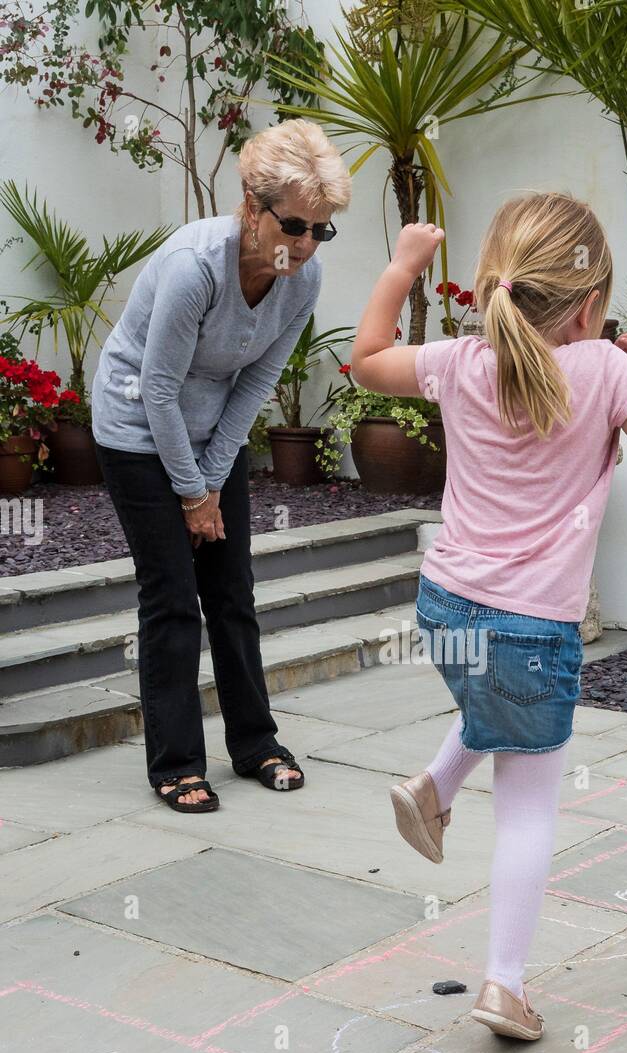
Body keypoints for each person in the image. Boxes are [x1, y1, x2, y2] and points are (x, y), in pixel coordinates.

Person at [350, 192, 627, 1040]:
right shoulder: (608, 370)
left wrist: (400, 269)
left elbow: (365, 360)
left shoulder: (460, 363)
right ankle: (504, 985)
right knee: (530, 804)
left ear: (493, 284)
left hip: (444, 604)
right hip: (533, 625)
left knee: (492, 701)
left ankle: (431, 787)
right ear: (589, 306)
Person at [91, 120, 351, 811]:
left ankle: (256, 743)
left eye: (320, 230)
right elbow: (156, 388)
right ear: (251, 204)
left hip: (208, 437)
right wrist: (188, 492)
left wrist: (210, 480)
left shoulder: (303, 280)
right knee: (173, 598)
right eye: (294, 224)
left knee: (232, 591)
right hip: (136, 428)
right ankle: (175, 762)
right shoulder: (194, 268)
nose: (303, 244)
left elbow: (256, 384)